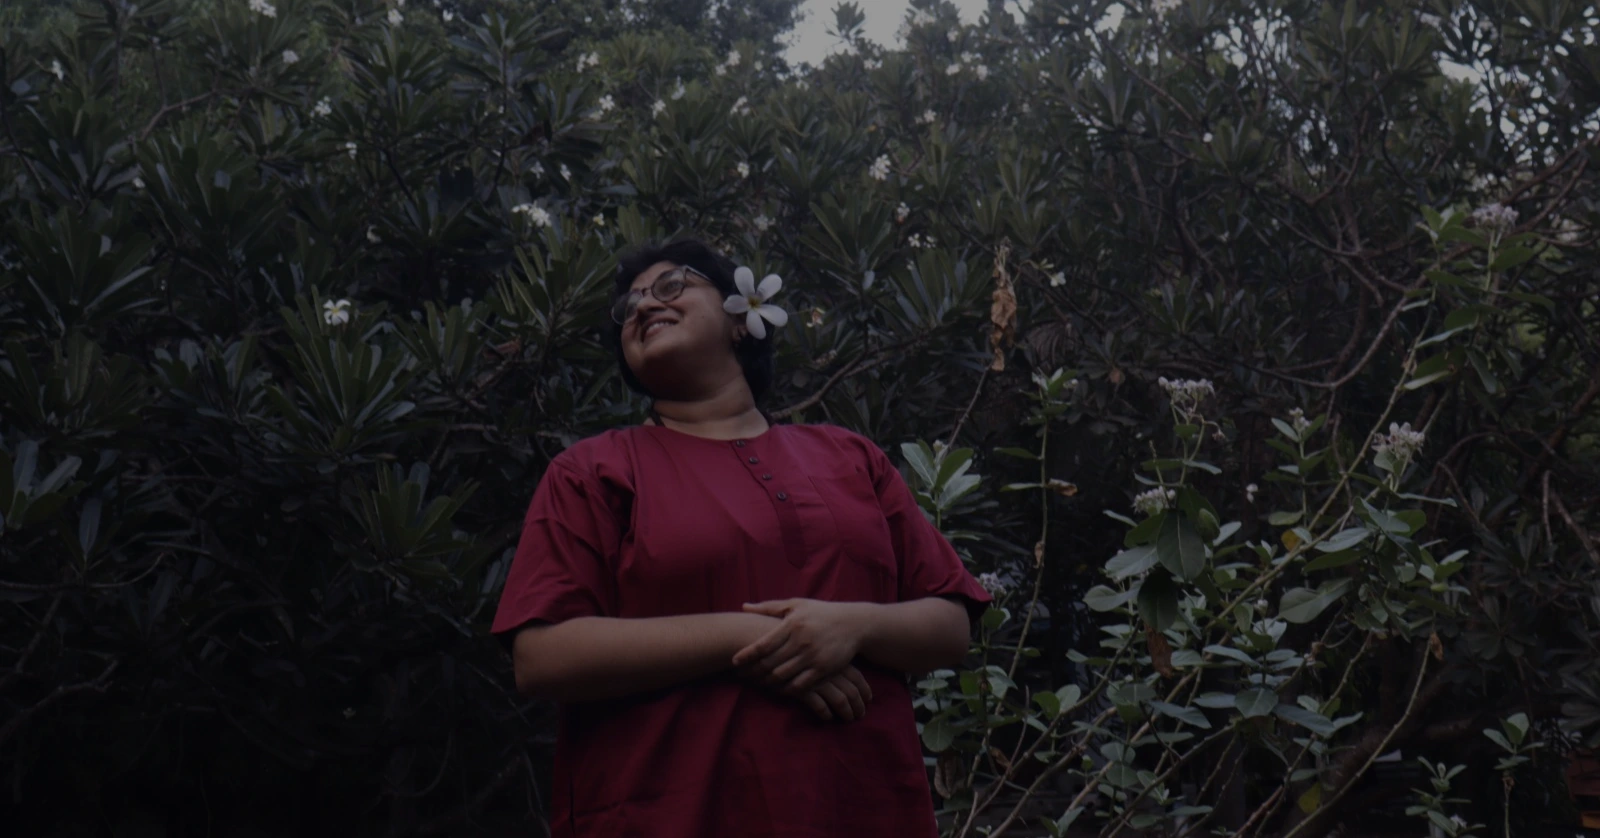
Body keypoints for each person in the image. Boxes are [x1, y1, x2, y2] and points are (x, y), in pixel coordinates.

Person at [491, 238, 992, 837]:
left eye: (672, 285)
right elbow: (541, 657)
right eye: (629, 307)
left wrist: (852, 627)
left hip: (863, 809)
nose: (644, 305)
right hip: (665, 814)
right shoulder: (593, 471)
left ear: (739, 320)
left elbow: (950, 625)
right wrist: (760, 638)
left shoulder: (847, 457)